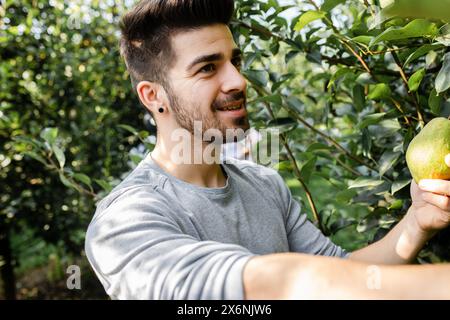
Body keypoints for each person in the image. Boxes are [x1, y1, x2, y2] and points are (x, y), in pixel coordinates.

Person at [85, 0, 450, 299]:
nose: (238, 80)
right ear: (154, 96)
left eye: (235, 62)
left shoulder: (264, 184)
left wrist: (416, 222)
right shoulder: (123, 222)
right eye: (208, 68)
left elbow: (350, 272)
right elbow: (255, 287)